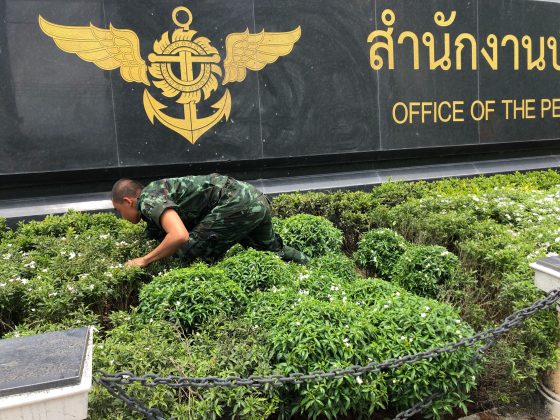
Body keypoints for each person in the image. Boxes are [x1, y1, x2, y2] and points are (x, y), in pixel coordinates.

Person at [111, 173, 309, 267]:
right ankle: (310, 266)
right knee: (273, 252)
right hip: (254, 198)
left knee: (190, 252)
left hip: (236, 202)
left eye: (120, 211)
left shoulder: (148, 199)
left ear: (128, 201)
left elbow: (179, 235)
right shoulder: (156, 192)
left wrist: (144, 260)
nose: (122, 217)